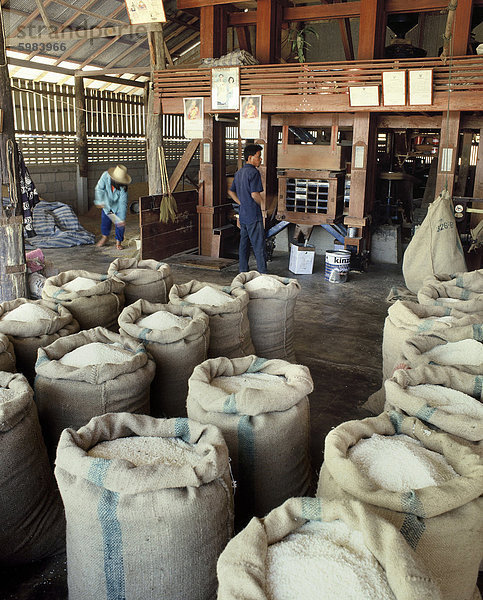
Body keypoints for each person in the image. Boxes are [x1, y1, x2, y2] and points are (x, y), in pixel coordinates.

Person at [228, 144, 267, 274]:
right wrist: (263, 207)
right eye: (259, 157)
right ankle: (263, 273)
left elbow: (231, 191)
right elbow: (255, 194)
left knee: (243, 244)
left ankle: (243, 270)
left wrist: (241, 202)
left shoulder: (239, 173)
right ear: (250, 157)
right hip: (253, 215)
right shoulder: (254, 172)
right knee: (258, 245)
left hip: (243, 215)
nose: (260, 159)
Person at [94, 164, 131, 250]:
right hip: (106, 203)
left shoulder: (123, 188)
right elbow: (99, 188)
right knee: (105, 220)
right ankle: (105, 237)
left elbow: (123, 203)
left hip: (117, 206)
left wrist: (121, 218)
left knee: (120, 224)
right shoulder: (105, 176)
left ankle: (118, 242)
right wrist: (100, 201)